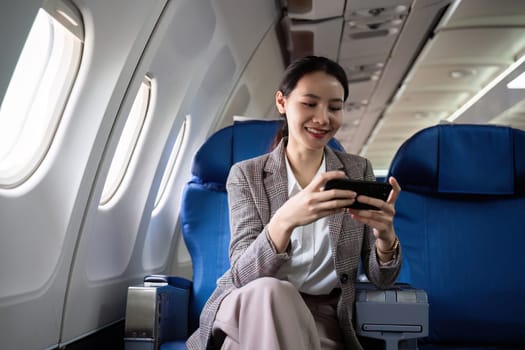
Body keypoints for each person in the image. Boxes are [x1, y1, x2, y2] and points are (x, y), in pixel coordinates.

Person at [186, 55, 402, 350]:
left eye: (335, 107)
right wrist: (285, 221)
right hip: (247, 304)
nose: (323, 118)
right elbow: (242, 275)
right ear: (281, 102)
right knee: (271, 291)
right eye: (309, 104)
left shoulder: (356, 170)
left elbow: (382, 279)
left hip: (321, 317)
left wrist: (386, 238)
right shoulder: (246, 175)